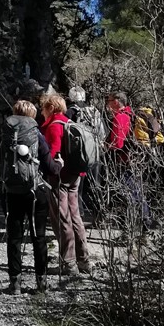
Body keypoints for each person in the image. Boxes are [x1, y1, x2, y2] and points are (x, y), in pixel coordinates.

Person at [0, 99, 62, 295]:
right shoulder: (36, 135)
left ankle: (15, 284)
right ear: (32, 116)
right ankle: (42, 284)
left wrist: (6, 177)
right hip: (36, 191)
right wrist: (59, 165)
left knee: (14, 237)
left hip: (12, 192)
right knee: (39, 237)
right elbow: (49, 166)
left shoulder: (5, 137)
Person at [40, 93, 91, 276]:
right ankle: (83, 260)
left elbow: (52, 155)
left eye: (44, 108)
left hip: (59, 178)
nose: (42, 111)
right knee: (75, 216)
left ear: (51, 108)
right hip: (75, 175)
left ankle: (68, 263)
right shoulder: (69, 123)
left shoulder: (54, 126)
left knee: (62, 218)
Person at [104, 91, 153, 230]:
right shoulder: (131, 114)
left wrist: (106, 146)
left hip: (126, 161)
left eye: (109, 100)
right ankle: (144, 228)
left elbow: (118, 144)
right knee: (139, 193)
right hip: (138, 160)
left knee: (130, 196)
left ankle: (132, 230)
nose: (107, 103)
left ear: (116, 102)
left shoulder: (120, 117)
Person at [66, 86, 106, 225]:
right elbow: (102, 132)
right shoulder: (94, 111)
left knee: (78, 186)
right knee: (96, 184)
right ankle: (99, 215)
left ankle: (79, 215)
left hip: (79, 154)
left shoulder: (70, 112)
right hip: (95, 152)